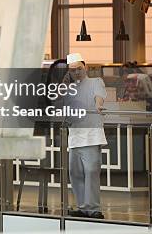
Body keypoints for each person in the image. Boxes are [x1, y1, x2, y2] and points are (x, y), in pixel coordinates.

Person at [65, 53, 106, 219]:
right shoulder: (70, 87)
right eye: (72, 70)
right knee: (75, 173)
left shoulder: (96, 82)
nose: (76, 72)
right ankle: (82, 207)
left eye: (79, 69)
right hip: (75, 135)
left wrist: (98, 106)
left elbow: (99, 97)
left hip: (91, 135)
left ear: (85, 67)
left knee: (91, 171)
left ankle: (94, 209)